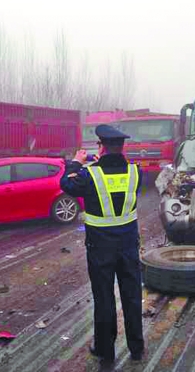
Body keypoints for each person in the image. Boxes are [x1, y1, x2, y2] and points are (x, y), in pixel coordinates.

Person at [60, 124, 144, 366]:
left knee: (104, 298)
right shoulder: (135, 173)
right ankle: (136, 348)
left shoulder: (89, 175)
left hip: (100, 248)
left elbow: (66, 184)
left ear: (102, 146)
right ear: (122, 147)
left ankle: (106, 352)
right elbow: (116, 183)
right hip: (128, 246)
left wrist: (76, 162)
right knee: (132, 296)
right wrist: (100, 162)